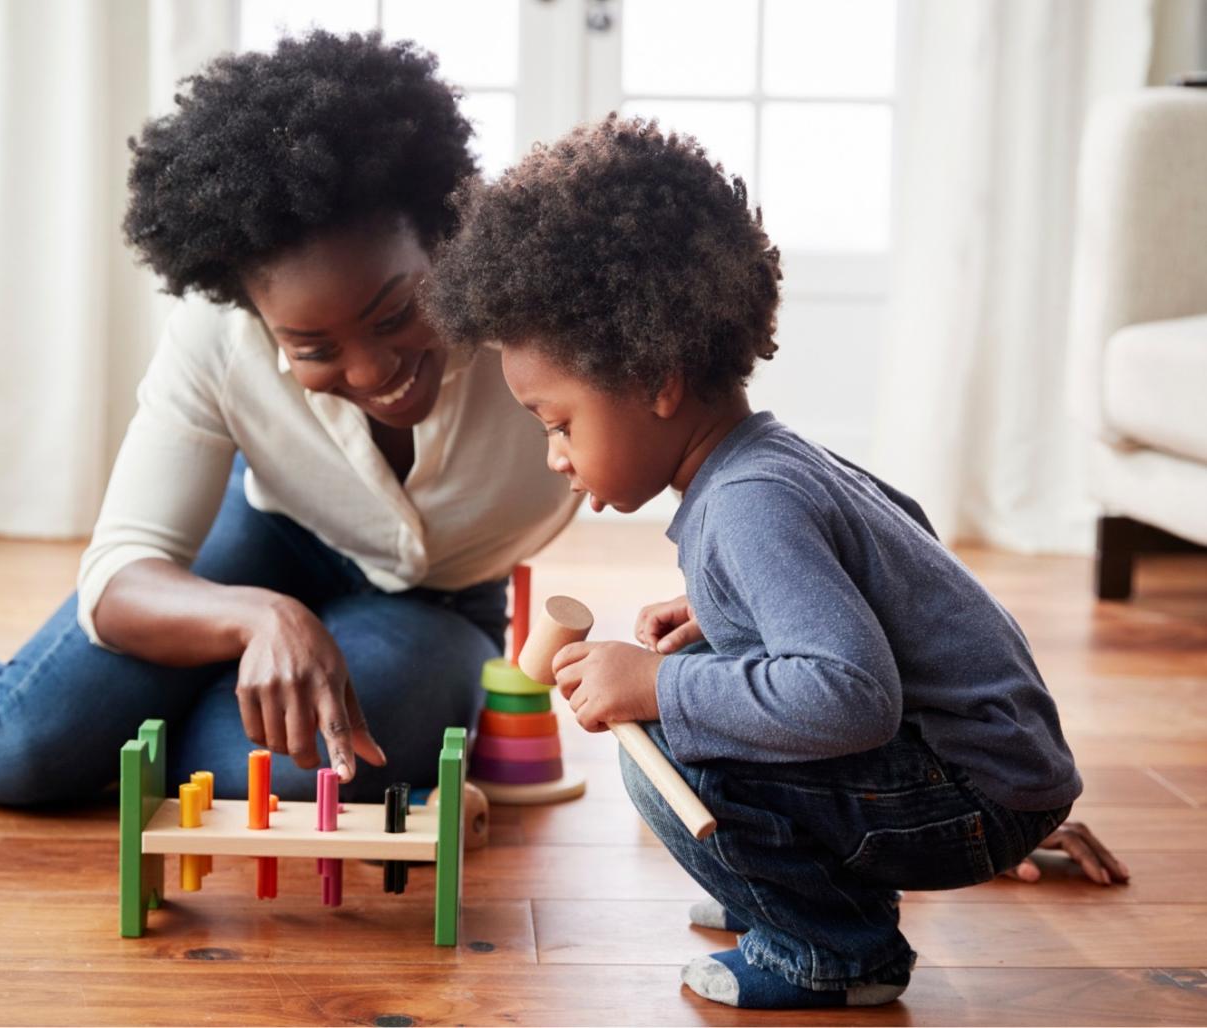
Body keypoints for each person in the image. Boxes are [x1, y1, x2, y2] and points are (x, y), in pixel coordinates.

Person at [0, 31, 576, 804]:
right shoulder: (216, 335)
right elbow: (119, 576)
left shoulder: (544, 313)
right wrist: (258, 618)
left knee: (277, 774)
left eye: (396, 314)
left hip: (438, 601)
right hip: (274, 536)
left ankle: (125, 724)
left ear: (443, 239)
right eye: (311, 346)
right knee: (25, 744)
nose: (369, 372)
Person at [423, 115, 1122, 1009]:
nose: (555, 456)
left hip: (970, 796)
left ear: (656, 380)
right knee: (709, 686)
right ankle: (789, 889)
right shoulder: (772, 460)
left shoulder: (748, 502)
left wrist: (656, 686)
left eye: (559, 424)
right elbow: (893, 563)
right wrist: (727, 611)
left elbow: (852, 696)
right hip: (996, 769)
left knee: (665, 751)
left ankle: (832, 949)